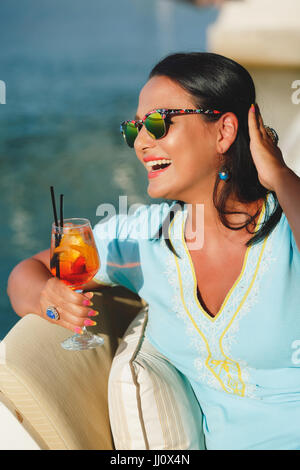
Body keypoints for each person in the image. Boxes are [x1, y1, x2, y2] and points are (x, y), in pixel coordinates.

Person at [7, 52, 300, 450]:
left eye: (159, 123)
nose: (142, 143)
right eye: (134, 129)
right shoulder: (143, 239)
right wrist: (48, 297)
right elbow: (26, 273)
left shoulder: (285, 230)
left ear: (224, 131)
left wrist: (281, 177)